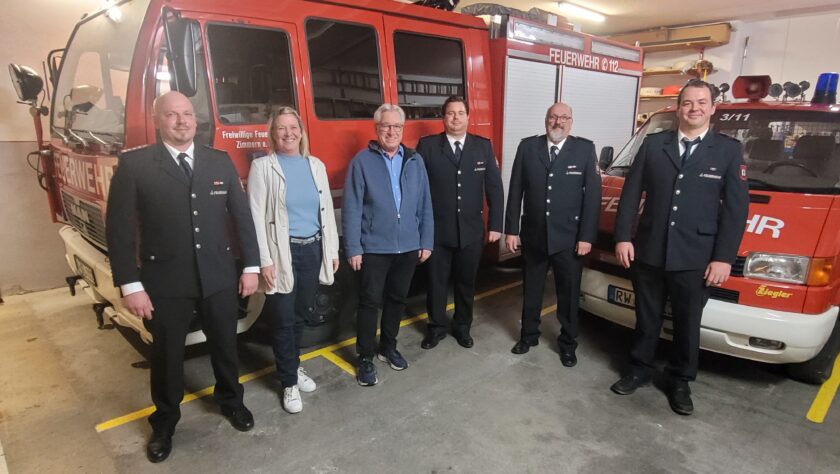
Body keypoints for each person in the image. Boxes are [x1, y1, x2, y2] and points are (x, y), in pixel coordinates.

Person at [105, 91, 260, 463]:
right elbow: (120, 231)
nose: (182, 121)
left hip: (219, 277)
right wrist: (131, 284)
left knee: (225, 344)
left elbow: (242, 219)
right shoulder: (136, 166)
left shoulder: (218, 162)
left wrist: (251, 267)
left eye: (187, 114)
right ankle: (164, 422)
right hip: (165, 283)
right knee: (167, 355)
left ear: (196, 119)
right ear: (158, 120)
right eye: (172, 115)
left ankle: (230, 401)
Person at [610, 79, 749, 416]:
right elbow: (631, 194)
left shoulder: (728, 151)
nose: (695, 108)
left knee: (687, 323)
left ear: (713, 108)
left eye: (702, 102)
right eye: (688, 103)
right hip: (650, 248)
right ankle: (639, 369)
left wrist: (722, 258)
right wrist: (623, 237)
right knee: (647, 317)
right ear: (678, 108)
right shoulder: (655, 144)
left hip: (695, 256)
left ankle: (680, 380)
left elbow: (735, 209)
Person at [247, 106, 339, 414]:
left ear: (301, 132)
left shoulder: (315, 166)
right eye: (282, 128)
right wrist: (265, 260)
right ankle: (288, 381)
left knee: (302, 314)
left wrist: (331, 251)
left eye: (293, 127)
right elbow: (256, 218)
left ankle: (293, 366)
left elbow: (325, 211)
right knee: (284, 318)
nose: (289, 133)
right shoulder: (263, 167)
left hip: (312, 250)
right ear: (272, 134)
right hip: (282, 253)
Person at [342, 103, 434, 386]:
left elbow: (425, 204)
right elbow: (352, 207)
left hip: (408, 246)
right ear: (376, 129)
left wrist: (426, 241)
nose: (391, 131)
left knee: (397, 299)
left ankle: (388, 348)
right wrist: (354, 247)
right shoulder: (361, 162)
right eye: (386, 126)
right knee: (370, 302)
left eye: (396, 126)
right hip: (374, 247)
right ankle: (366, 357)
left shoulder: (415, 161)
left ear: (402, 129)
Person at [504, 102, 601, 367]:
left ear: (571, 121)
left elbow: (592, 198)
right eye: (553, 117)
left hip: (569, 239)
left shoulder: (583, 149)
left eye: (563, 118)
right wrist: (511, 230)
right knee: (532, 290)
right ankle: (528, 336)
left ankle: (568, 344)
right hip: (534, 235)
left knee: (568, 295)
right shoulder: (528, 147)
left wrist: (586, 236)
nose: (557, 122)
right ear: (546, 120)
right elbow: (515, 191)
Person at [416, 96, 504, 349]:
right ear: (443, 118)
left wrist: (496, 225)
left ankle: (463, 326)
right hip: (436, 231)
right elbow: (417, 189)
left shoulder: (483, 147)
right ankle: (436, 328)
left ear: (468, 117)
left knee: (466, 283)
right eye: (450, 113)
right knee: (436, 283)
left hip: (471, 231)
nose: (456, 118)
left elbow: (495, 190)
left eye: (460, 113)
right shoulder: (428, 147)